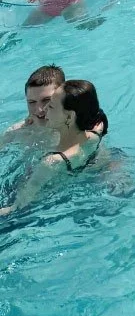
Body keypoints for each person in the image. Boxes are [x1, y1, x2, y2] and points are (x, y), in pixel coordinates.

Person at [0, 80, 108, 215]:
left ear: (69, 116)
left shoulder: (52, 162)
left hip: (33, 212)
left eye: (50, 106)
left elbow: (17, 207)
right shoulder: (94, 136)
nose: (43, 110)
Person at [1, 66, 69, 145]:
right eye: (32, 102)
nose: (39, 110)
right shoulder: (14, 134)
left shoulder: (79, 132)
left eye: (46, 100)